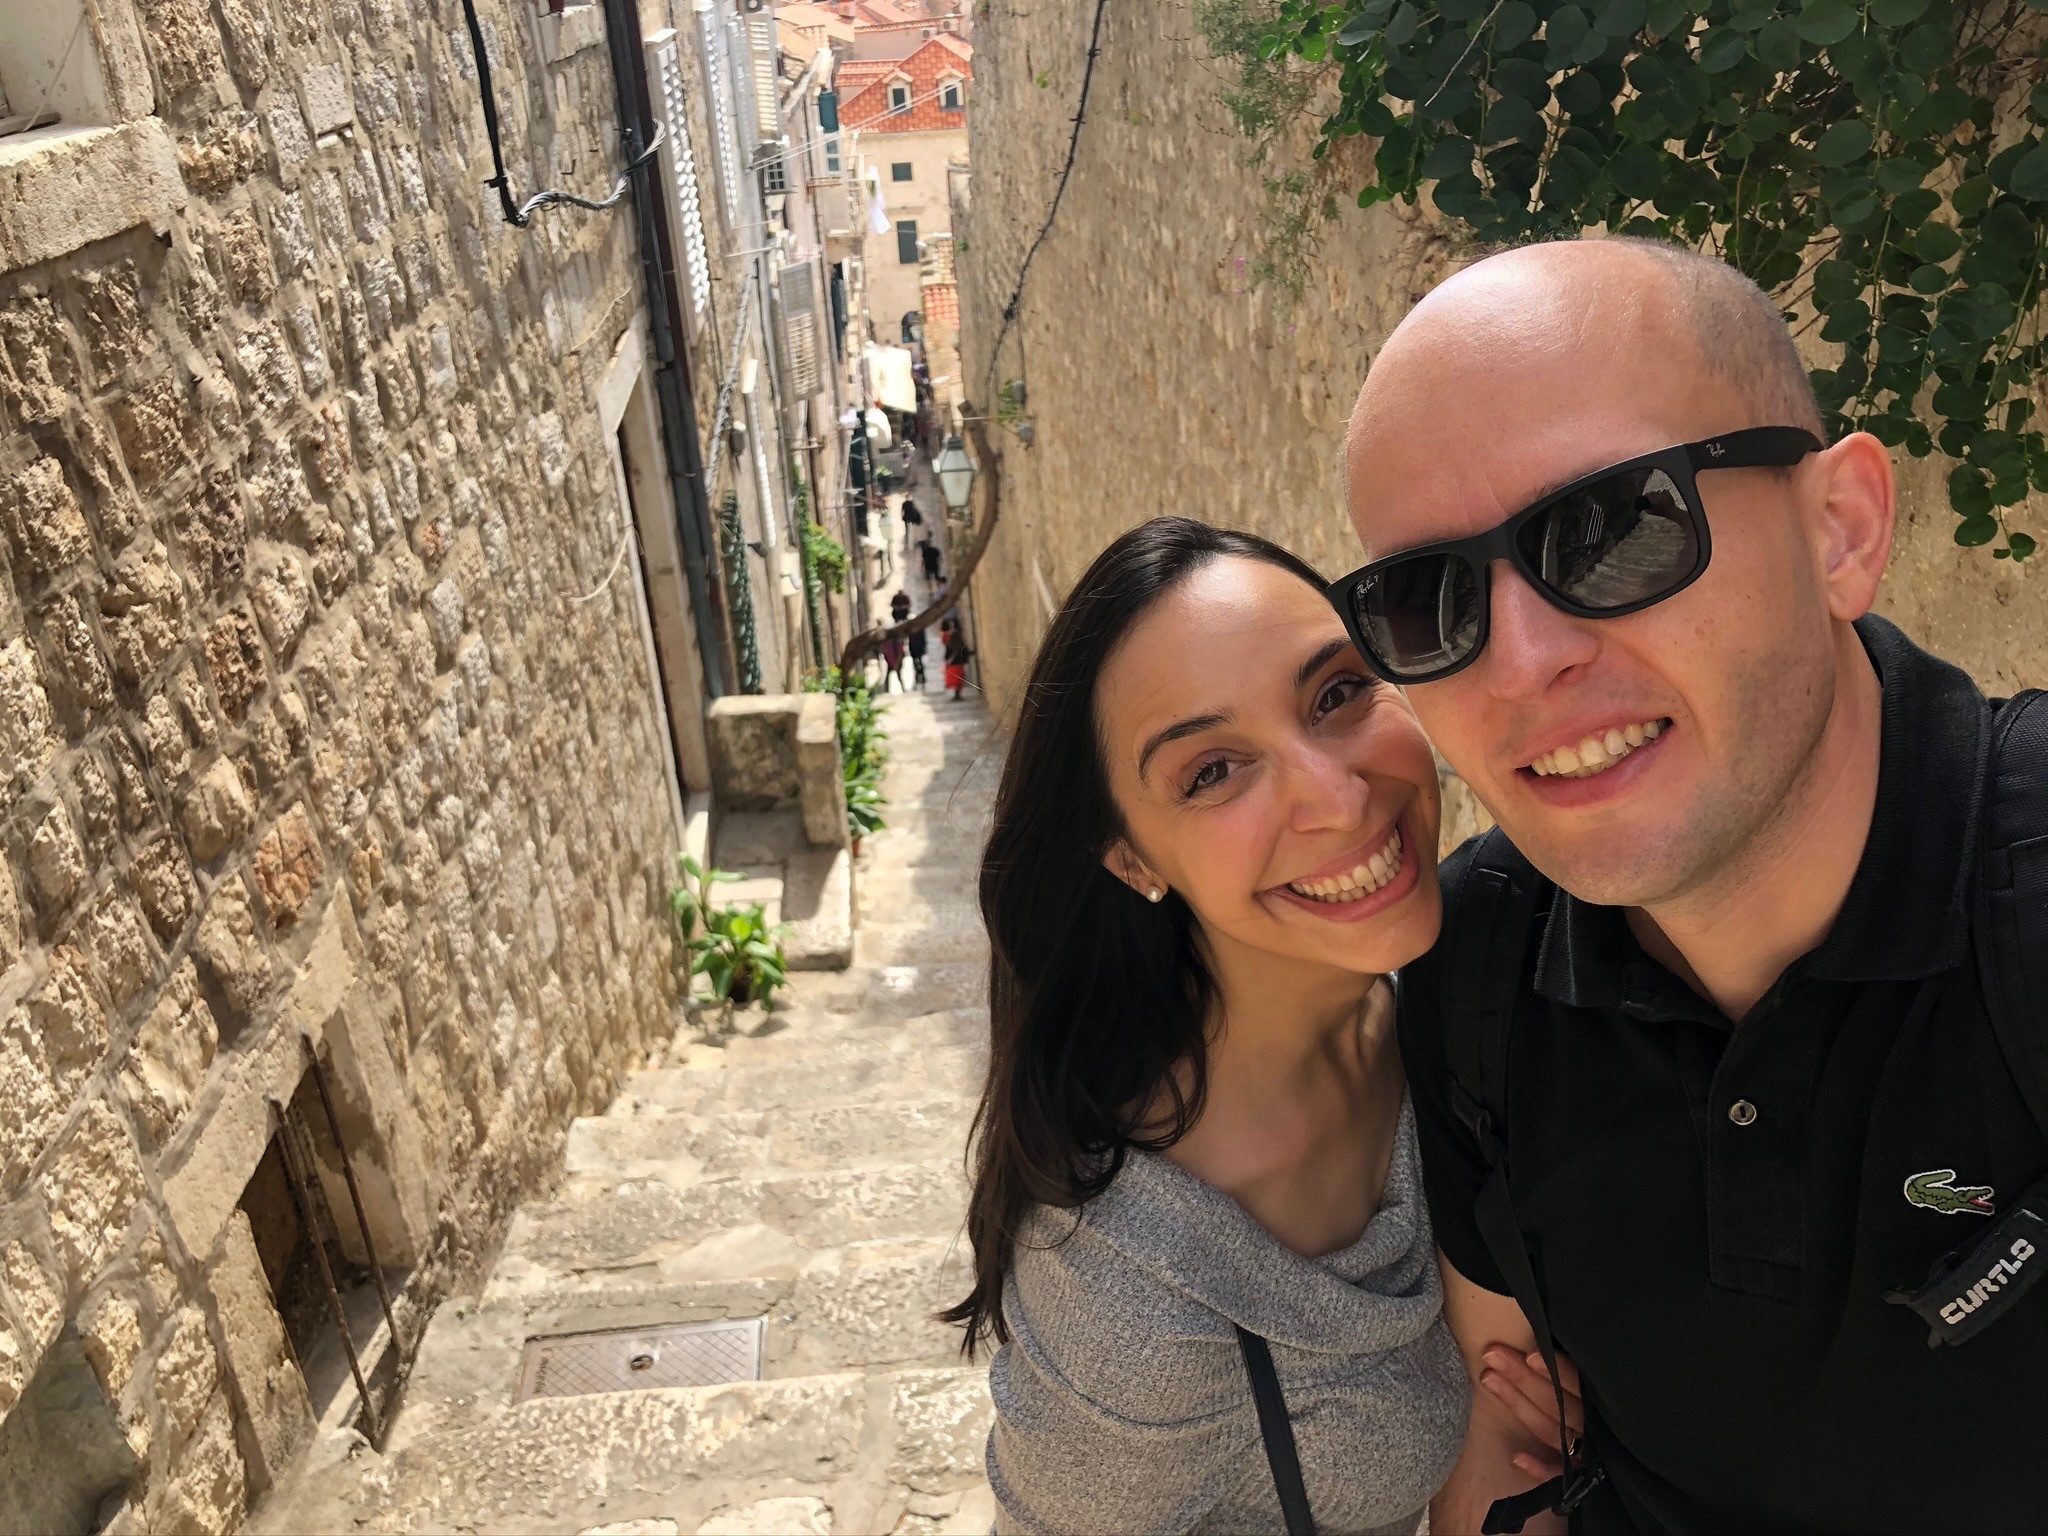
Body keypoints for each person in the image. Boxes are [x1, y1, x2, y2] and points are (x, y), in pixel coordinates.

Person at [1334, 236, 2047, 1534]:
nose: (1521, 662)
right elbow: (1507, 1438)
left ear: (1841, 530)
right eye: (1429, 600)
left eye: (1610, 530)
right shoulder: (1474, 969)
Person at [946, 517, 1576, 1534]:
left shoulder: (1479, 983)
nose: (1336, 798)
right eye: (1210, 772)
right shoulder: (1127, 1295)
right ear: (1133, 861)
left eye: (1335, 693)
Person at [940, 617, 972, 701]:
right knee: (958, 680)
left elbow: (949, 650)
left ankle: (957, 694)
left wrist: (947, 660)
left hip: (954, 662)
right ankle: (957, 694)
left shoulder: (952, 637)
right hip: (958, 662)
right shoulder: (957, 637)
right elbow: (962, 649)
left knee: (956, 680)